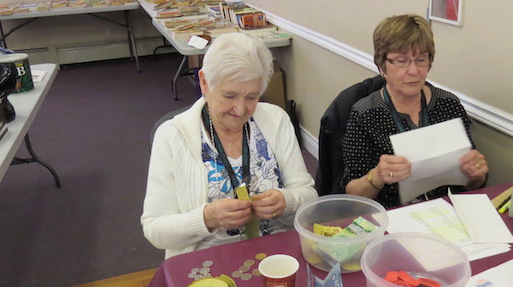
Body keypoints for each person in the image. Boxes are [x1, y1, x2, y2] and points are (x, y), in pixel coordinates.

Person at [141, 33, 317, 259]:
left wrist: (286, 201)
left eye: (252, 97)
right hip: (207, 259)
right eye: (230, 95)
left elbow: (309, 196)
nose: (241, 109)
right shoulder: (171, 136)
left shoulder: (276, 119)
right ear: (204, 82)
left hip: (277, 253)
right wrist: (207, 218)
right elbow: (155, 230)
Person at [341, 14, 488, 208]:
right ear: (382, 65)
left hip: (445, 210)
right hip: (391, 214)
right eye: (402, 61)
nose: (414, 71)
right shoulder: (365, 114)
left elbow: (471, 184)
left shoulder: (448, 105)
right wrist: (377, 176)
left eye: (421, 60)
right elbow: (352, 194)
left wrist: (476, 174)